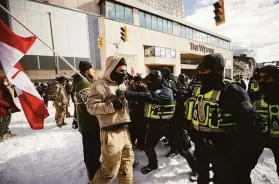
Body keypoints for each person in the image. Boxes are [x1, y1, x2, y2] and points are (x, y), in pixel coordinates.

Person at [184, 53, 264, 184]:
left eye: (204, 70)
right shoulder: (196, 88)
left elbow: (254, 124)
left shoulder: (232, 91)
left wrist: (237, 149)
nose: (200, 73)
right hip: (200, 144)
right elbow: (188, 109)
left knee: (222, 178)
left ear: (218, 69)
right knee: (201, 174)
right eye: (199, 69)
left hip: (224, 148)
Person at [86, 56, 134, 184]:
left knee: (127, 166)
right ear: (112, 69)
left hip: (125, 131)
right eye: (120, 71)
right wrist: (113, 105)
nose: (124, 73)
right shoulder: (99, 85)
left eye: (125, 71)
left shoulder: (121, 85)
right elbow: (91, 108)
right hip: (111, 132)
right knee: (109, 171)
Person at [123, 70, 175, 174]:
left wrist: (126, 93)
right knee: (148, 146)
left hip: (169, 125)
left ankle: (196, 170)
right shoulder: (153, 90)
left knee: (182, 149)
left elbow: (148, 97)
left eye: (150, 82)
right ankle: (153, 165)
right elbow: (144, 99)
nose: (147, 84)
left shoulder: (165, 91)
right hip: (156, 125)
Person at [72, 61, 101, 183]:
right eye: (92, 69)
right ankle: (93, 176)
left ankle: (93, 168)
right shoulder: (84, 84)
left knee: (90, 150)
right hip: (90, 124)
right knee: (93, 151)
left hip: (87, 123)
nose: (94, 71)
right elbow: (92, 106)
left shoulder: (83, 82)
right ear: (87, 71)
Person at [252, 65, 279, 177]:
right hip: (259, 136)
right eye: (260, 78)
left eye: (266, 77)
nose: (262, 81)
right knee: (243, 166)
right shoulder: (255, 96)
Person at [129, 75, 147, 150]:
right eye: (138, 82)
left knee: (142, 131)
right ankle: (132, 143)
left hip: (142, 113)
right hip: (133, 113)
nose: (140, 83)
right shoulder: (131, 89)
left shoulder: (144, 90)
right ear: (134, 82)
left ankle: (141, 144)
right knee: (133, 130)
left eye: (141, 82)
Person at [0, 77, 20, 142]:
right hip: (3, 108)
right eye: (4, 79)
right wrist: (7, 104)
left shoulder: (4, 87)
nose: (6, 80)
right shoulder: (1, 88)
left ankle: (6, 133)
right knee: (4, 122)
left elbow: (14, 93)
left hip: (8, 107)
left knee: (8, 121)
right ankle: (1, 135)